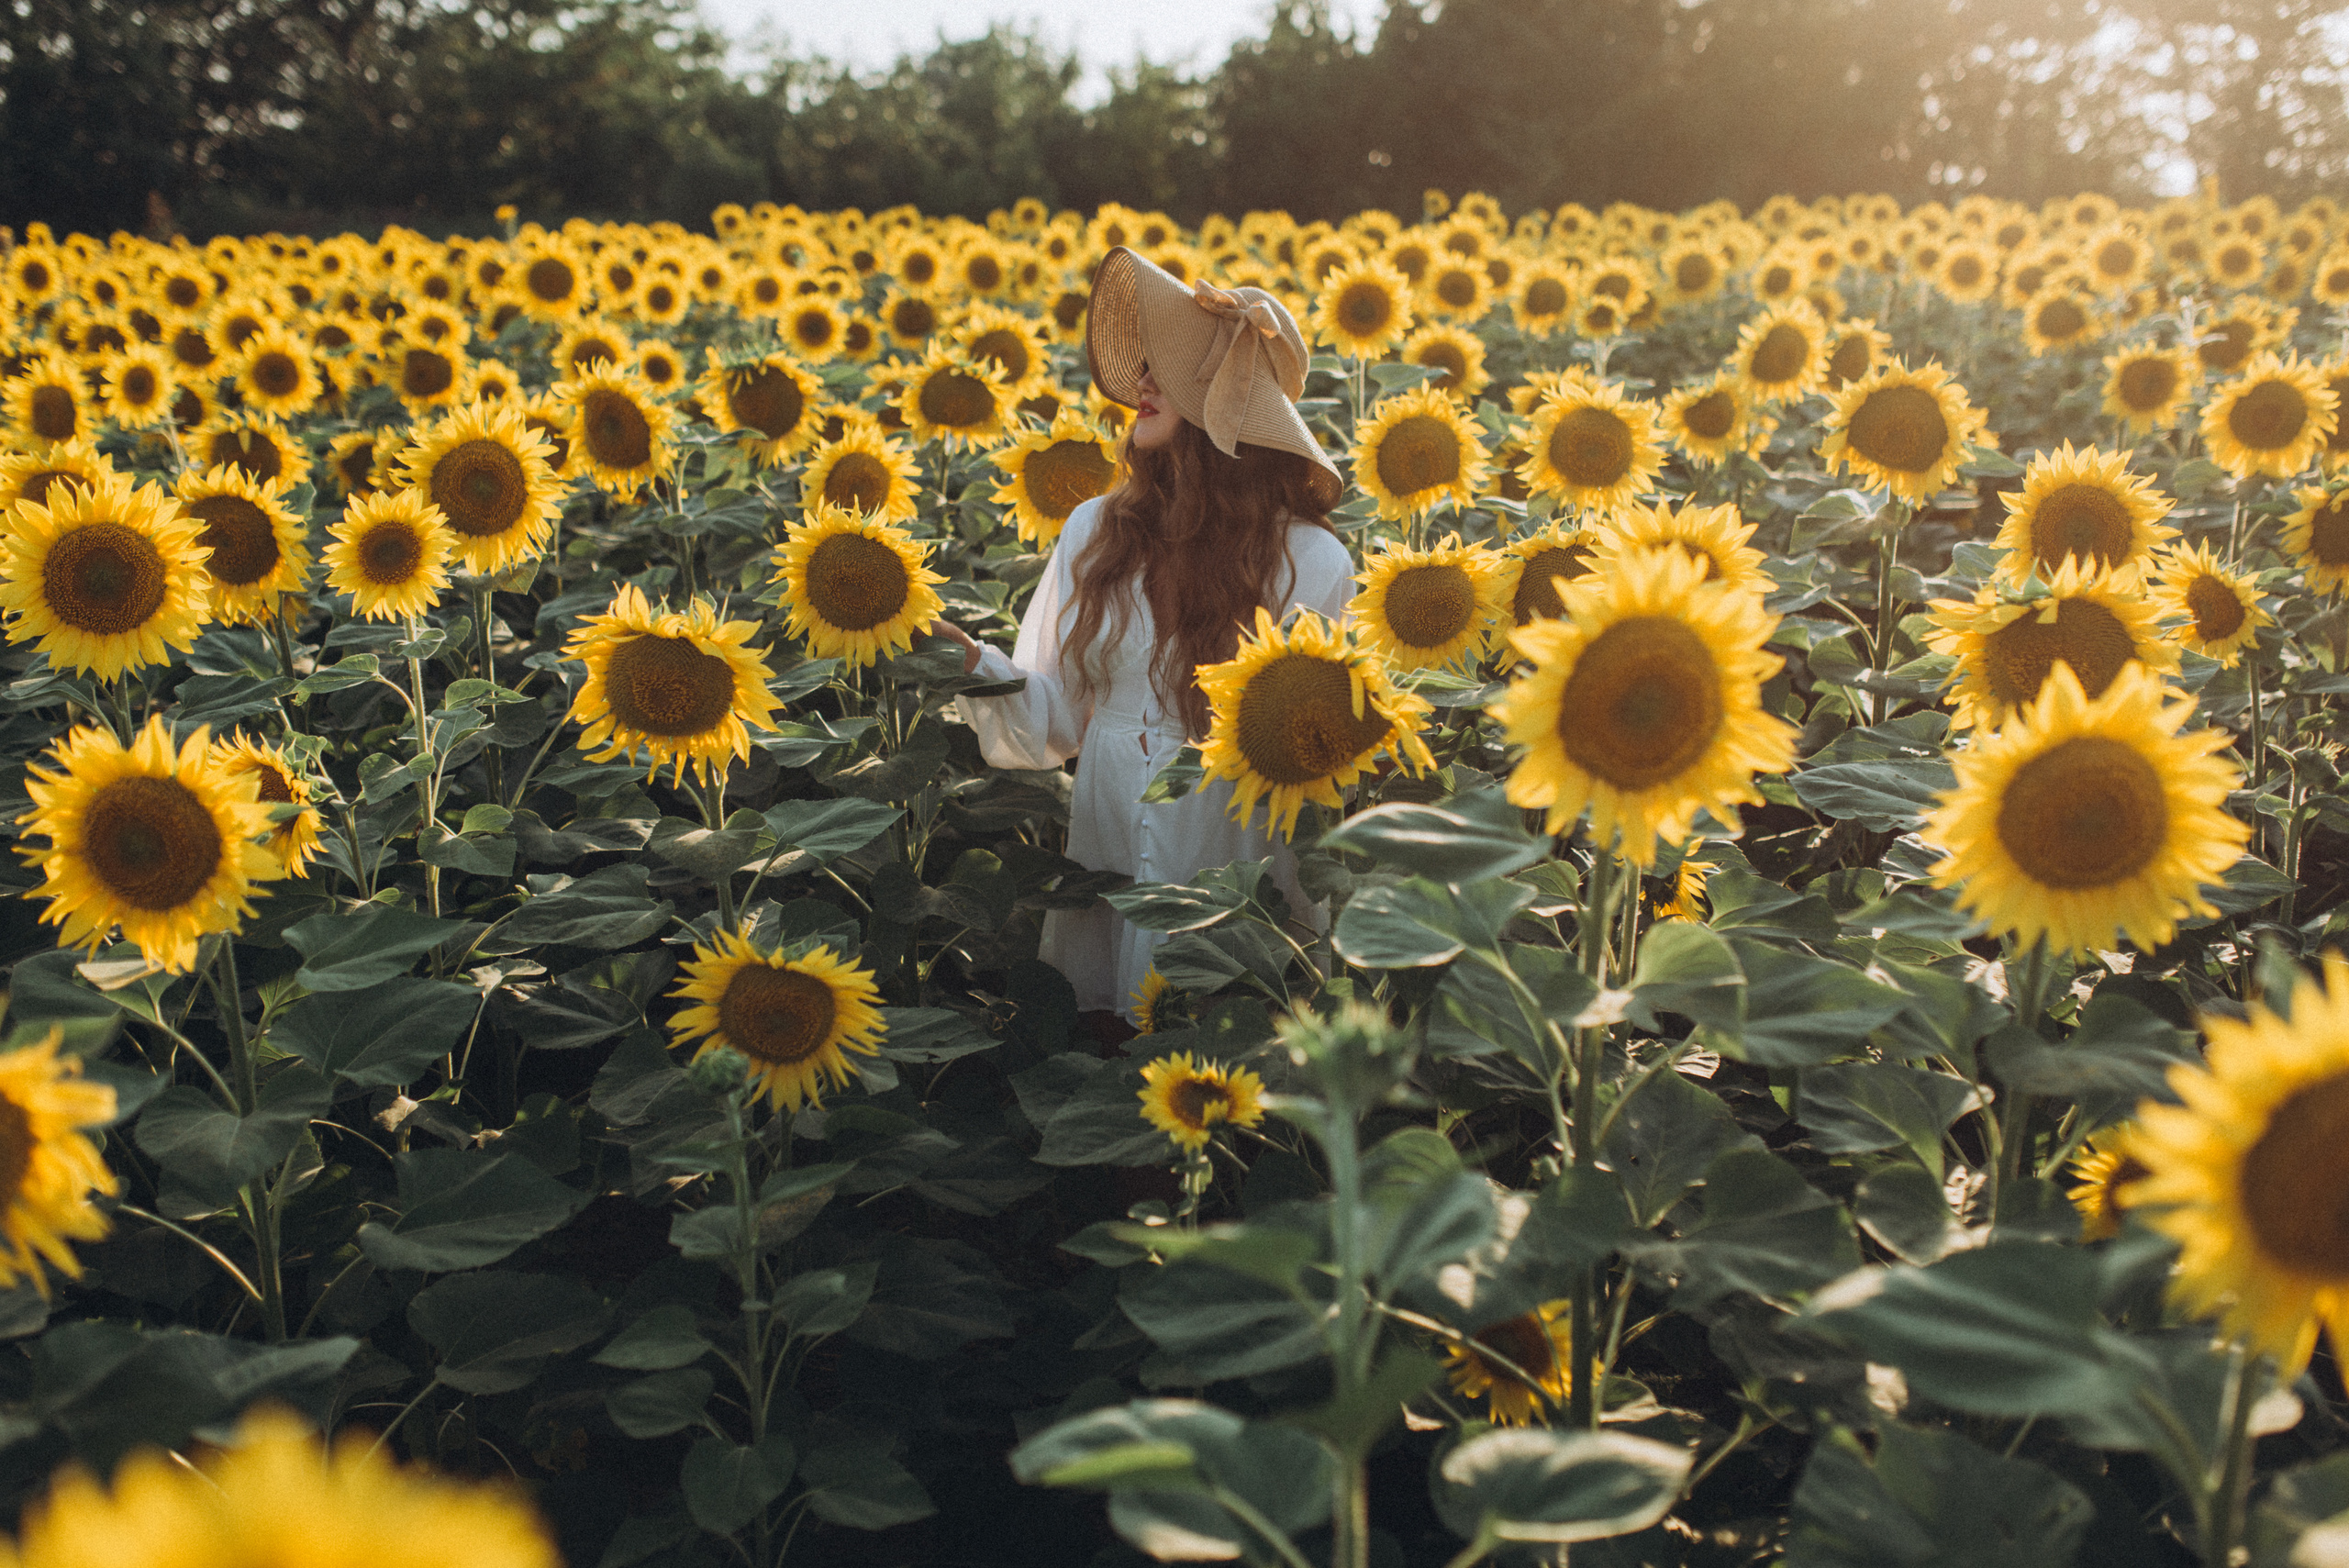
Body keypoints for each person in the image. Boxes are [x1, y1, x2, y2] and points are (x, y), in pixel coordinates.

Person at [930, 246, 1353, 1027]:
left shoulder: (1312, 561)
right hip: (1108, 838)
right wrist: (971, 663)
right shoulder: (1095, 530)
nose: (1142, 383)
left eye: (1169, 368)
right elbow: (1056, 722)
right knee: (1105, 1053)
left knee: (1222, 1040)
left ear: (1224, 404)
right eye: (1147, 365)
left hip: (1231, 843)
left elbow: (1315, 751)